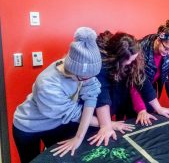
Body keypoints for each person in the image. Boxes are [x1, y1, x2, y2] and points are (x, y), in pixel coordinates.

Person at [13, 27, 102, 163]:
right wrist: (108, 124)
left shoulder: (83, 74)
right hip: (28, 127)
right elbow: (76, 115)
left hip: (55, 122)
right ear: (73, 71)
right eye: (85, 78)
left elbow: (91, 96)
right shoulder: (47, 84)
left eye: (92, 76)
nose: (89, 81)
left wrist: (81, 136)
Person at [87, 31, 159, 146]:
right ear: (116, 58)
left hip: (120, 92)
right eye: (128, 60)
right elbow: (102, 96)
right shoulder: (101, 63)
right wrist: (106, 125)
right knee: (101, 131)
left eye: (133, 59)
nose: (132, 63)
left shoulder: (133, 57)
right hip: (99, 102)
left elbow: (142, 81)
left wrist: (158, 108)